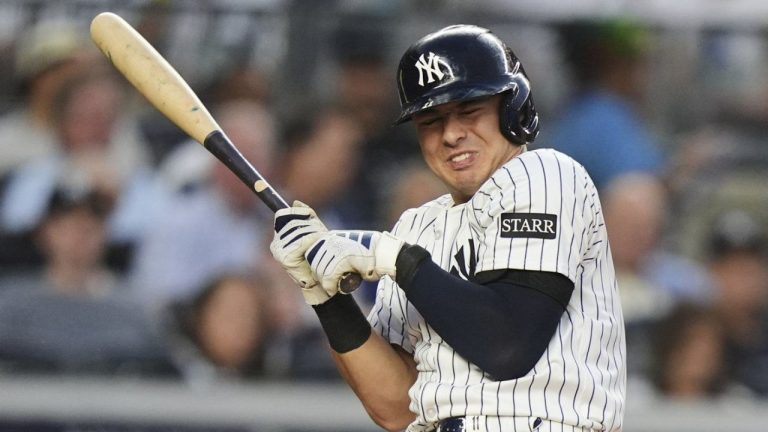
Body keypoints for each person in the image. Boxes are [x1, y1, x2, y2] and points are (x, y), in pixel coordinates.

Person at [270, 25, 625, 432]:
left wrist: (396, 259)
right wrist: (326, 296)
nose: (451, 135)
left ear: (512, 107)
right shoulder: (415, 226)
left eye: (469, 111)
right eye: (431, 120)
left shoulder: (547, 175)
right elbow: (396, 408)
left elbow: (507, 346)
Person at [539, 18, 665, 190]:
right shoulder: (603, 121)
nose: (645, 77)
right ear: (613, 64)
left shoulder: (575, 113)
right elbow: (639, 190)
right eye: (637, 63)